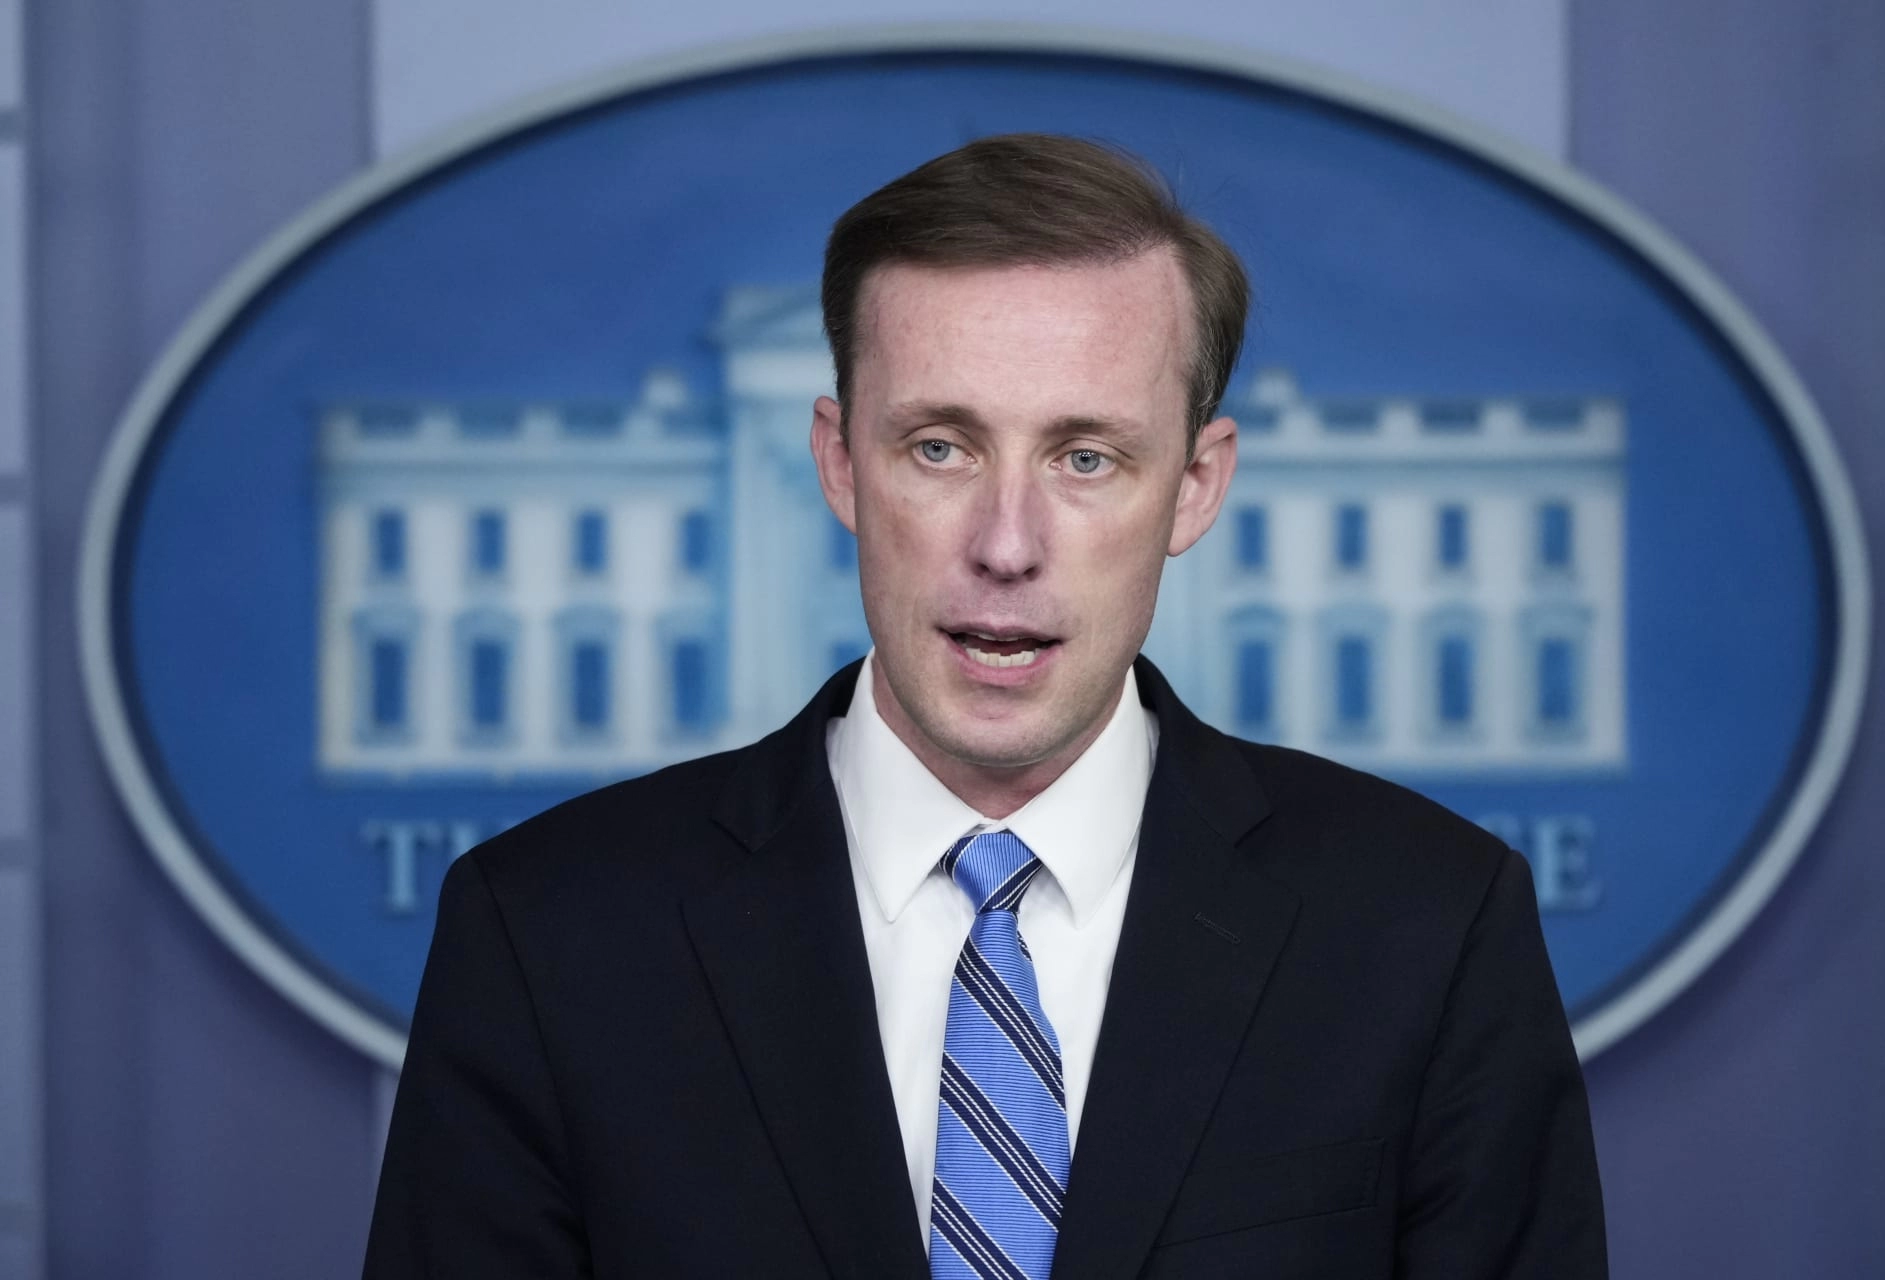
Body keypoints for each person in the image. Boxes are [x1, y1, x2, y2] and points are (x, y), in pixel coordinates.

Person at [364, 133, 1607, 1279]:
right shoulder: (546, 933)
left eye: (1086, 457)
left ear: (1194, 485)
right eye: (940, 447)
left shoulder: (1431, 926)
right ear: (840, 463)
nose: (1006, 544)